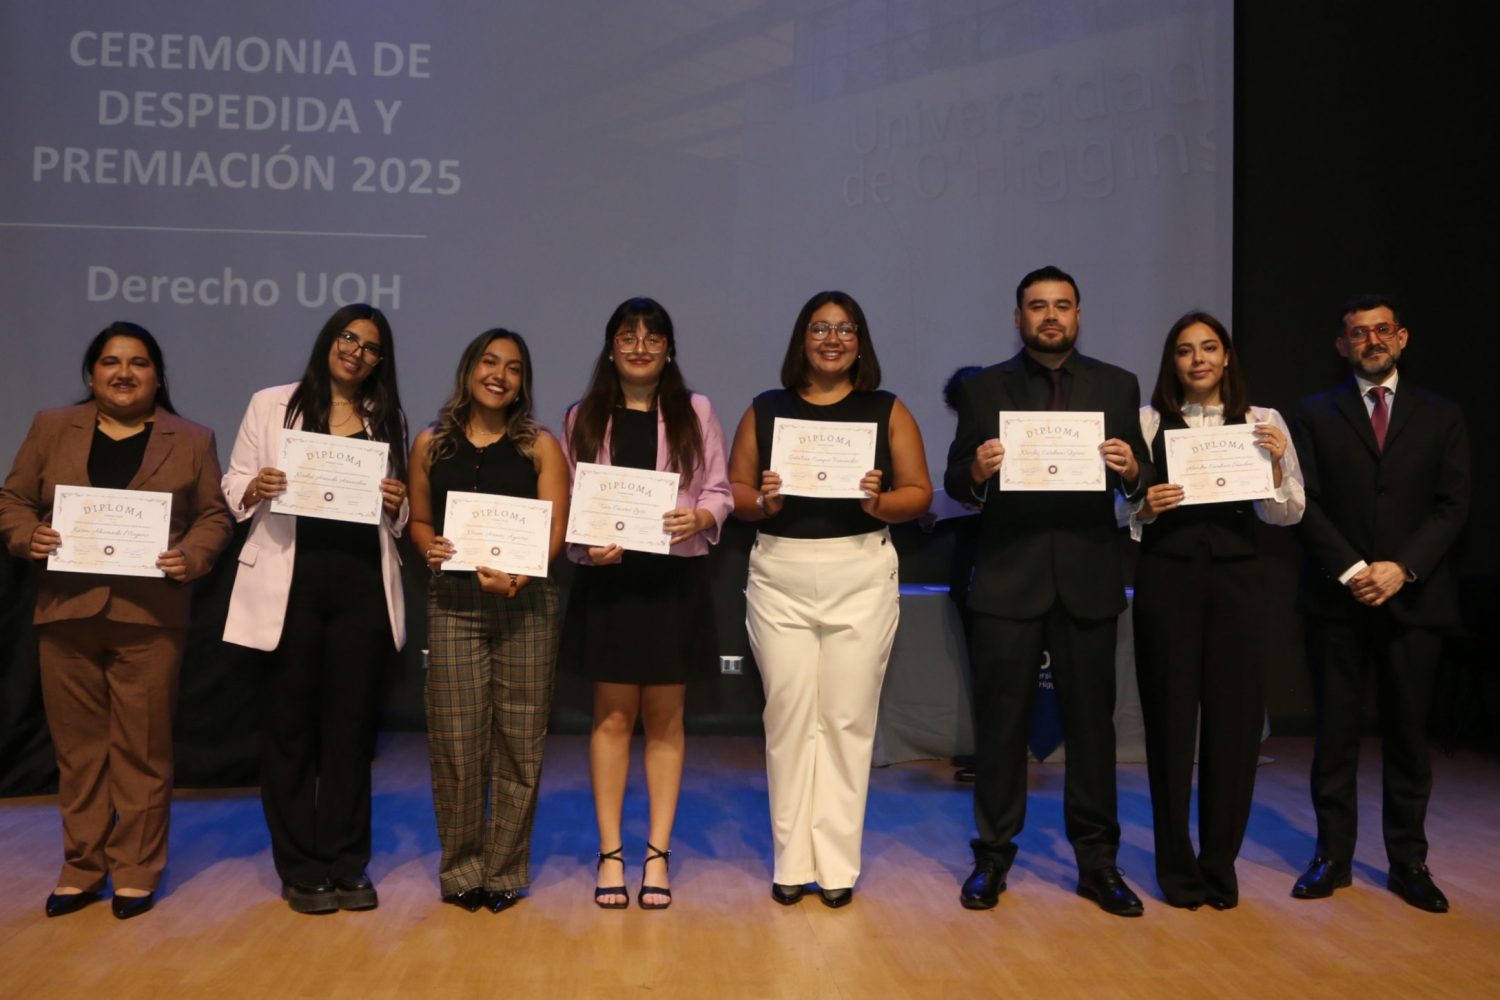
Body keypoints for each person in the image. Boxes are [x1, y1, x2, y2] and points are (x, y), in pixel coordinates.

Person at [0, 322, 233, 920]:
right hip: (67, 611)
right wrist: (28, 535)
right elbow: (14, 500)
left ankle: (135, 869)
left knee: (142, 750)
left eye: (137, 363)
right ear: (92, 373)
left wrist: (193, 555)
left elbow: (214, 516)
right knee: (78, 752)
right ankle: (82, 867)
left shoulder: (192, 438)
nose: (123, 373)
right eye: (110, 362)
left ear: (157, 375)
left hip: (150, 617)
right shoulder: (52, 427)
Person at [945, 265, 1153, 916]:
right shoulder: (984, 388)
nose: (1051, 316)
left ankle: (1098, 863)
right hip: (1009, 577)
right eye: (1038, 306)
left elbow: (1140, 477)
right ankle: (992, 857)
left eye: (1062, 305)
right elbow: (955, 477)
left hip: (1088, 579)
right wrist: (977, 472)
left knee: (1093, 729)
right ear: (1019, 318)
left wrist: (1133, 470)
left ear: (1079, 315)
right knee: (1000, 728)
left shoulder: (1117, 384)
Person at [728, 290, 932, 908]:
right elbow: (735, 491)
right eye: (820, 328)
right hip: (781, 572)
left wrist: (878, 502)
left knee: (846, 720)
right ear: (802, 339)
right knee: (788, 717)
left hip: (860, 571)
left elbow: (919, 493)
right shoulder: (767, 408)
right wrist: (764, 501)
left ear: (860, 342)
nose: (832, 339)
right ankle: (791, 862)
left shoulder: (886, 409)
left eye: (845, 329)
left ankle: (837, 866)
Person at [221, 303, 410, 915]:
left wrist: (398, 501)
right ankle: (301, 866)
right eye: (349, 338)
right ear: (330, 340)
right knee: (290, 733)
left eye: (371, 347)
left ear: (380, 361)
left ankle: (348, 862)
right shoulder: (270, 403)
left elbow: (399, 510)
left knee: (351, 734)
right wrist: (256, 487)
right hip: (290, 587)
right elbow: (233, 483)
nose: (357, 352)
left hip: (361, 589)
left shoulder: (386, 416)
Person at [1289, 294, 1470, 913]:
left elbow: (1454, 505)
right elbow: (1303, 501)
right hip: (1336, 599)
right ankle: (1331, 857)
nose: (1372, 341)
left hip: (1414, 599)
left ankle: (1409, 861)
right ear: (1343, 346)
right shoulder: (1312, 413)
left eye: (1382, 330)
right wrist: (1353, 569)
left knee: (1409, 738)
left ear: (1402, 337)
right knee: (1335, 736)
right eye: (1359, 333)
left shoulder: (1442, 415)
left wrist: (1402, 567)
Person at [1125, 311, 1305, 910]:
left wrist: (1275, 462)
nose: (1197, 359)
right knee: (1169, 726)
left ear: (1226, 357)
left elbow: (1287, 512)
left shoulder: (1263, 420)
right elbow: (1117, 512)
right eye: (1185, 350)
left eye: (1208, 348)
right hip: (1166, 580)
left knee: (1234, 728)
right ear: (1172, 362)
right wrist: (1145, 507)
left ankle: (1219, 865)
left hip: (1238, 582)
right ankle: (1176, 869)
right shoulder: (1147, 422)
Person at [559, 297, 732, 910]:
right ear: (610, 348)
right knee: (611, 719)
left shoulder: (696, 410)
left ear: (668, 348)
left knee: (665, 720)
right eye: (627, 336)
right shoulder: (581, 416)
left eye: (652, 336)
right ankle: (611, 854)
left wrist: (702, 517)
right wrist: (586, 548)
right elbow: (571, 505)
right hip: (611, 584)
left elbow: (719, 489)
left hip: (672, 582)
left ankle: (657, 855)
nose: (639, 346)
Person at [409, 329, 569, 914]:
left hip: (525, 603)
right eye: (489, 362)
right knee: (456, 741)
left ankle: (503, 872)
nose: (499, 375)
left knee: (519, 741)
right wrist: (429, 547)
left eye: (514, 368)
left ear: (523, 383)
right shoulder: (431, 443)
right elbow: (419, 521)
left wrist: (519, 579)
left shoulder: (540, 446)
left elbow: (556, 527)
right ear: (469, 369)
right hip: (453, 603)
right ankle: (462, 871)